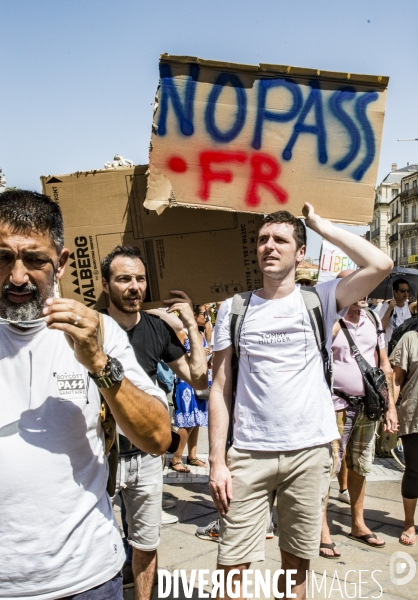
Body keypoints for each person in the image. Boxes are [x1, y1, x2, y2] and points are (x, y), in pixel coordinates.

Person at [208, 203, 393, 600]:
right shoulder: (234, 308)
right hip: (249, 454)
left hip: (309, 453)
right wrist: (216, 462)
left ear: (300, 252)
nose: (268, 247)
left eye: (280, 240)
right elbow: (221, 388)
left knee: (295, 570)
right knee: (229, 572)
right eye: (262, 240)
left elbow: (381, 264)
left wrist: (321, 225)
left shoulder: (320, 300)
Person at [0, 190, 171, 600]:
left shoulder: (99, 331)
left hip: (85, 579)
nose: (18, 276)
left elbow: (157, 437)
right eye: (4, 257)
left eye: (35, 260)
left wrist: (98, 362)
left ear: (59, 263)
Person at [100, 245, 208, 600]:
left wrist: (191, 323)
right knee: (97, 541)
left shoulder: (157, 329)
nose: (134, 286)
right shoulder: (91, 327)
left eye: (140, 279)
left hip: (147, 457)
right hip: (102, 457)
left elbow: (197, 378)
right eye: (124, 279)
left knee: (146, 542)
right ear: (105, 284)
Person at [320, 270, 397, 558]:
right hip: (335, 406)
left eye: (364, 287)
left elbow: (384, 365)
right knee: (327, 468)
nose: (362, 293)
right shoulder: (331, 321)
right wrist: (333, 325)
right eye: (355, 287)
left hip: (368, 406)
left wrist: (390, 406)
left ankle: (358, 523)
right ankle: (323, 530)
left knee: (360, 466)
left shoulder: (374, 319)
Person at [170, 304, 211, 473]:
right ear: (193, 315)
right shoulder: (182, 334)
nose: (207, 317)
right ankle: (176, 458)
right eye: (203, 314)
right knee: (187, 421)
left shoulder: (200, 333)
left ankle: (192, 456)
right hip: (185, 382)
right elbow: (174, 358)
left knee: (197, 420)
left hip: (201, 380)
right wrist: (198, 352)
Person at [390, 331, 418, 546]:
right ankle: (409, 523)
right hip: (414, 414)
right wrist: (390, 408)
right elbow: (396, 378)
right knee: (414, 470)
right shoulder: (411, 338)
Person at [377, 279, 411, 349]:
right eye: (402, 290)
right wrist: (389, 309)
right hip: (389, 347)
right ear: (395, 292)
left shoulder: (407, 305)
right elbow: (382, 327)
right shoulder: (387, 305)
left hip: (403, 346)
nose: (406, 293)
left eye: (407, 291)